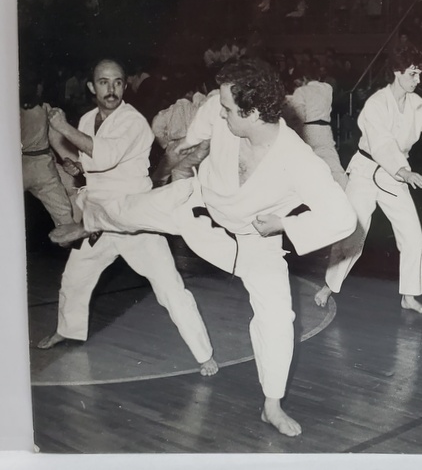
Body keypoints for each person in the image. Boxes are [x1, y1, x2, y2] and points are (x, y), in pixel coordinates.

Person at [49, 58, 357, 437]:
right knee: (130, 209)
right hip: (196, 205)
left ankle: (271, 406)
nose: (220, 112)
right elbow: (191, 143)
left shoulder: (298, 161)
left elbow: (342, 217)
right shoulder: (218, 108)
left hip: (253, 241)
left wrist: (286, 224)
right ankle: (86, 226)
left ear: (254, 111)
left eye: (229, 110)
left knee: (278, 318)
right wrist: (184, 160)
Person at [37, 59, 219, 380]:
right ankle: (68, 330)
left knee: (169, 288)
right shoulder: (88, 118)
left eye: (118, 82)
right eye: (104, 83)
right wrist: (76, 168)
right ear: (92, 87)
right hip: (100, 217)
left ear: (125, 85)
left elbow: (106, 154)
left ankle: (204, 355)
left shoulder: (133, 121)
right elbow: (92, 161)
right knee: (76, 277)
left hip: (134, 217)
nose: (112, 89)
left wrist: (62, 128)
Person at [314, 49, 422, 316]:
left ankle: (409, 296)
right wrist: (404, 172)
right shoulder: (377, 104)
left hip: (395, 177)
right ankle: (328, 286)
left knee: (413, 235)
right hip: (367, 172)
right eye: (412, 73)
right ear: (397, 72)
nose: (417, 79)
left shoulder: (418, 105)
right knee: (353, 233)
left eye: (419, 73)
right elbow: (382, 145)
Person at [20, 71, 75, 228]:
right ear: (38, 87)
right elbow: (57, 141)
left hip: (17, 167)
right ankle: (71, 243)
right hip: (42, 166)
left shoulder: (10, 109)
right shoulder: (45, 108)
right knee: (63, 213)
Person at [283, 74, 347, 188]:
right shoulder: (327, 88)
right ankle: (344, 188)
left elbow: (300, 116)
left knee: (304, 161)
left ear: (303, 78)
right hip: (325, 129)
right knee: (331, 160)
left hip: (308, 129)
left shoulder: (300, 91)